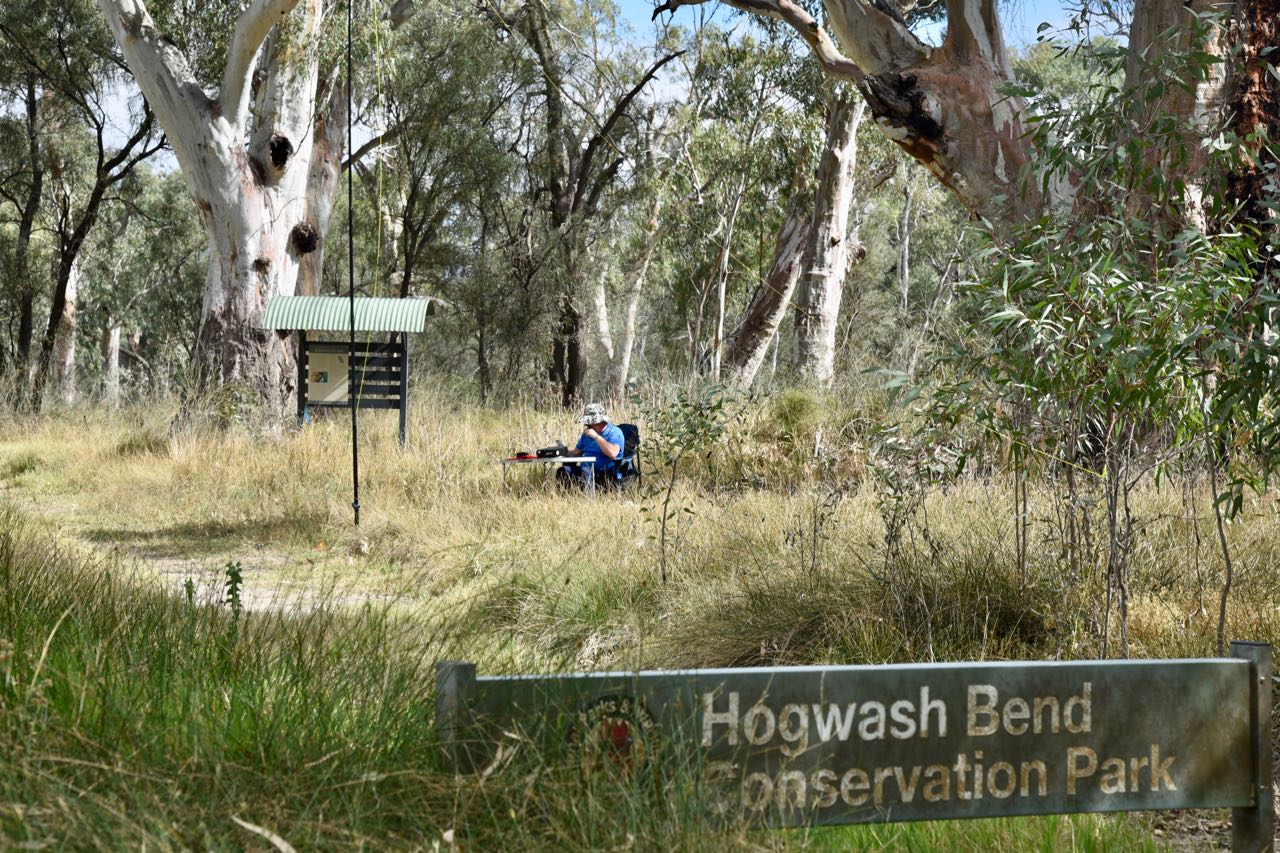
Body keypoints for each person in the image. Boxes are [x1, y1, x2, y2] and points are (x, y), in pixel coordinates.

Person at [558, 402, 626, 488]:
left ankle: (589, 496)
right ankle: (565, 494)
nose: (586, 425)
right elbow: (576, 452)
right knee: (563, 471)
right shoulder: (586, 434)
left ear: (596, 422)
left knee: (585, 471)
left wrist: (596, 436)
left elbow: (612, 453)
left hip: (606, 472)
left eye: (588, 422)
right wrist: (563, 452)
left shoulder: (614, 432)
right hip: (586, 470)